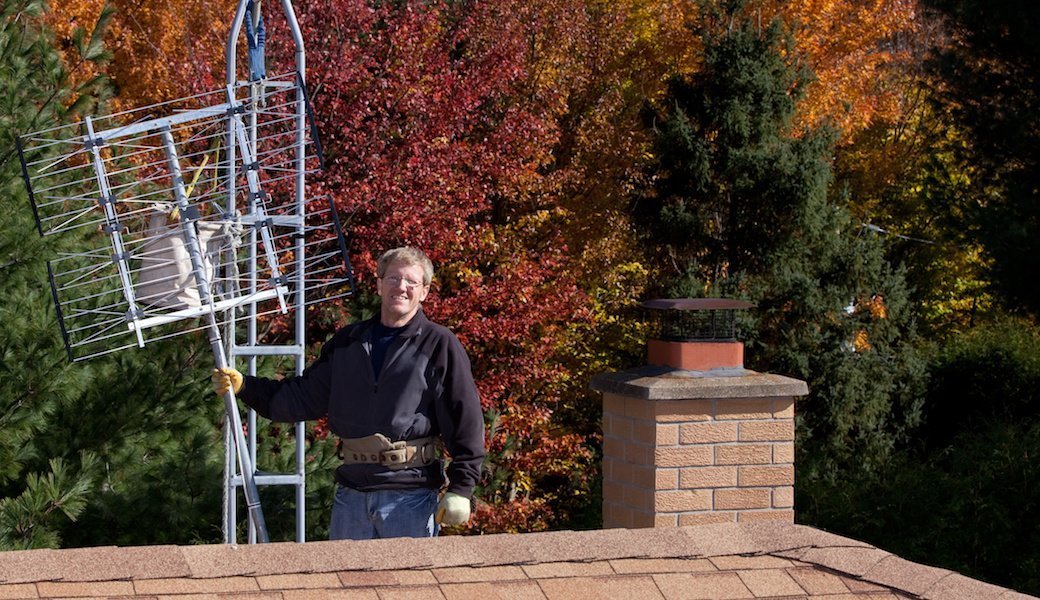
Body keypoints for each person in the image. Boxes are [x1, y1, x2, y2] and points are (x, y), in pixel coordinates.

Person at [212, 246, 484, 540]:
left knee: (408, 586)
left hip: (410, 498)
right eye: (393, 279)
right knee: (346, 585)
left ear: (425, 292)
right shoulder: (348, 343)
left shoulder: (439, 345)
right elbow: (303, 397)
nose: (401, 288)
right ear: (379, 285)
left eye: (411, 282)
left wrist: (461, 488)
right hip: (351, 498)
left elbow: (464, 419)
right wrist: (246, 387)